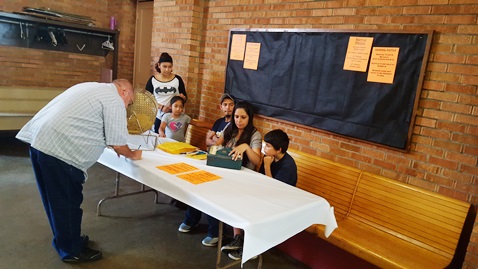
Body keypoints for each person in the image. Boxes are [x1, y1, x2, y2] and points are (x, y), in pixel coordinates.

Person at [15, 79, 142, 264]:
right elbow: (118, 144)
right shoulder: (114, 100)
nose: (128, 105)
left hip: (40, 143)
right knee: (67, 203)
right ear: (124, 91)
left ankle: (66, 240)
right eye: (130, 102)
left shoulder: (92, 87)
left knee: (54, 201)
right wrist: (133, 154)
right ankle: (71, 250)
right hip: (60, 151)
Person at [222, 129, 298, 261]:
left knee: (253, 210)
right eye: (264, 144)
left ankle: (252, 249)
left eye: (268, 146)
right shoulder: (269, 157)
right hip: (269, 195)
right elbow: (263, 180)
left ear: (279, 149)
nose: (264, 147)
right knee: (237, 199)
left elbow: (275, 189)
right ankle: (238, 239)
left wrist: (267, 166)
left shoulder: (288, 165)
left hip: (282, 200)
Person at [177, 93, 235, 247]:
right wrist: (215, 141)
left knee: (212, 193)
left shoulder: (234, 125)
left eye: (231, 105)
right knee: (195, 184)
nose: (228, 108)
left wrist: (214, 141)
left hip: (225, 165)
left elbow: (225, 145)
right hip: (210, 159)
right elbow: (208, 142)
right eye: (225, 105)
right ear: (221, 107)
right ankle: (191, 220)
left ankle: (215, 232)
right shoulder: (218, 122)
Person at [145, 52, 187, 134]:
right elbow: (147, 99)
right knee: (158, 136)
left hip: (174, 116)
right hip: (158, 115)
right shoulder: (153, 80)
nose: (167, 70)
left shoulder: (177, 79)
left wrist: (182, 97)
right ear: (159, 65)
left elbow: (185, 97)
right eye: (164, 66)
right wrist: (161, 107)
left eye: (169, 67)